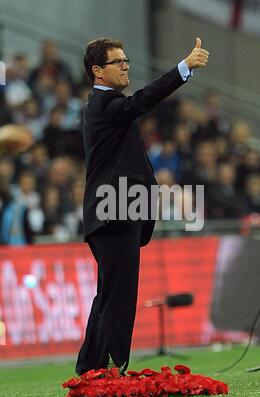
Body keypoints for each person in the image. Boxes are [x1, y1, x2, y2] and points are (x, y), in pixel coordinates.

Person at [75, 37, 209, 376]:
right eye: (117, 61)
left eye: (126, 59)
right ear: (97, 71)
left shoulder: (105, 107)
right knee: (118, 297)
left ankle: (92, 367)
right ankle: (111, 369)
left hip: (115, 213)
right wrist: (184, 67)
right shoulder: (106, 105)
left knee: (108, 295)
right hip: (116, 211)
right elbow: (144, 100)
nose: (125, 65)